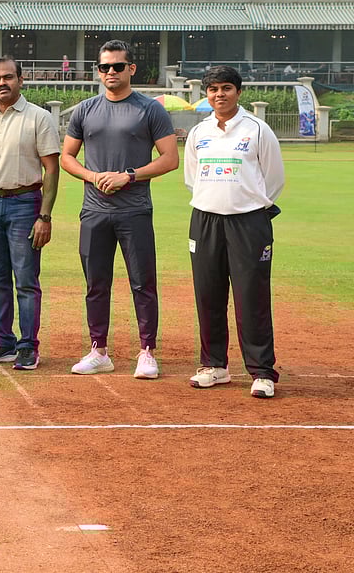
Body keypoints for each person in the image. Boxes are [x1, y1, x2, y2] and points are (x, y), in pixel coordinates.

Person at [60, 39, 179, 378]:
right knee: (96, 283)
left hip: (135, 210)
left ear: (131, 69)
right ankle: (99, 350)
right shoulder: (85, 110)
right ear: (98, 71)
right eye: (104, 67)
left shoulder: (149, 109)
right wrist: (92, 175)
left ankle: (147, 352)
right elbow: (67, 156)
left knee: (142, 282)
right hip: (94, 210)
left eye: (117, 66)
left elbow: (170, 159)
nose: (110, 72)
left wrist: (130, 176)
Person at [184, 65, 285, 398]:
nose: (219, 95)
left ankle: (261, 372)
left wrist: (248, 204)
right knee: (208, 294)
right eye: (213, 89)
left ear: (238, 92)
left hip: (248, 222)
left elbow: (273, 178)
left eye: (226, 88)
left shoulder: (257, 129)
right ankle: (214, 365)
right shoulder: (200, 132)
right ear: (207, 94)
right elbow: (192, 178)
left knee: (251, 296)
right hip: (206, 219)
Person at [0, 57, 60, 371]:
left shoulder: (38, 118)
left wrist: (44, 216)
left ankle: (28, 347)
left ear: (20, 79)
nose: (1, 83)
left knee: (26, 280)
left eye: (7, 77)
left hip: (25, 202)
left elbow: (52, 169)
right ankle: (2, 342)